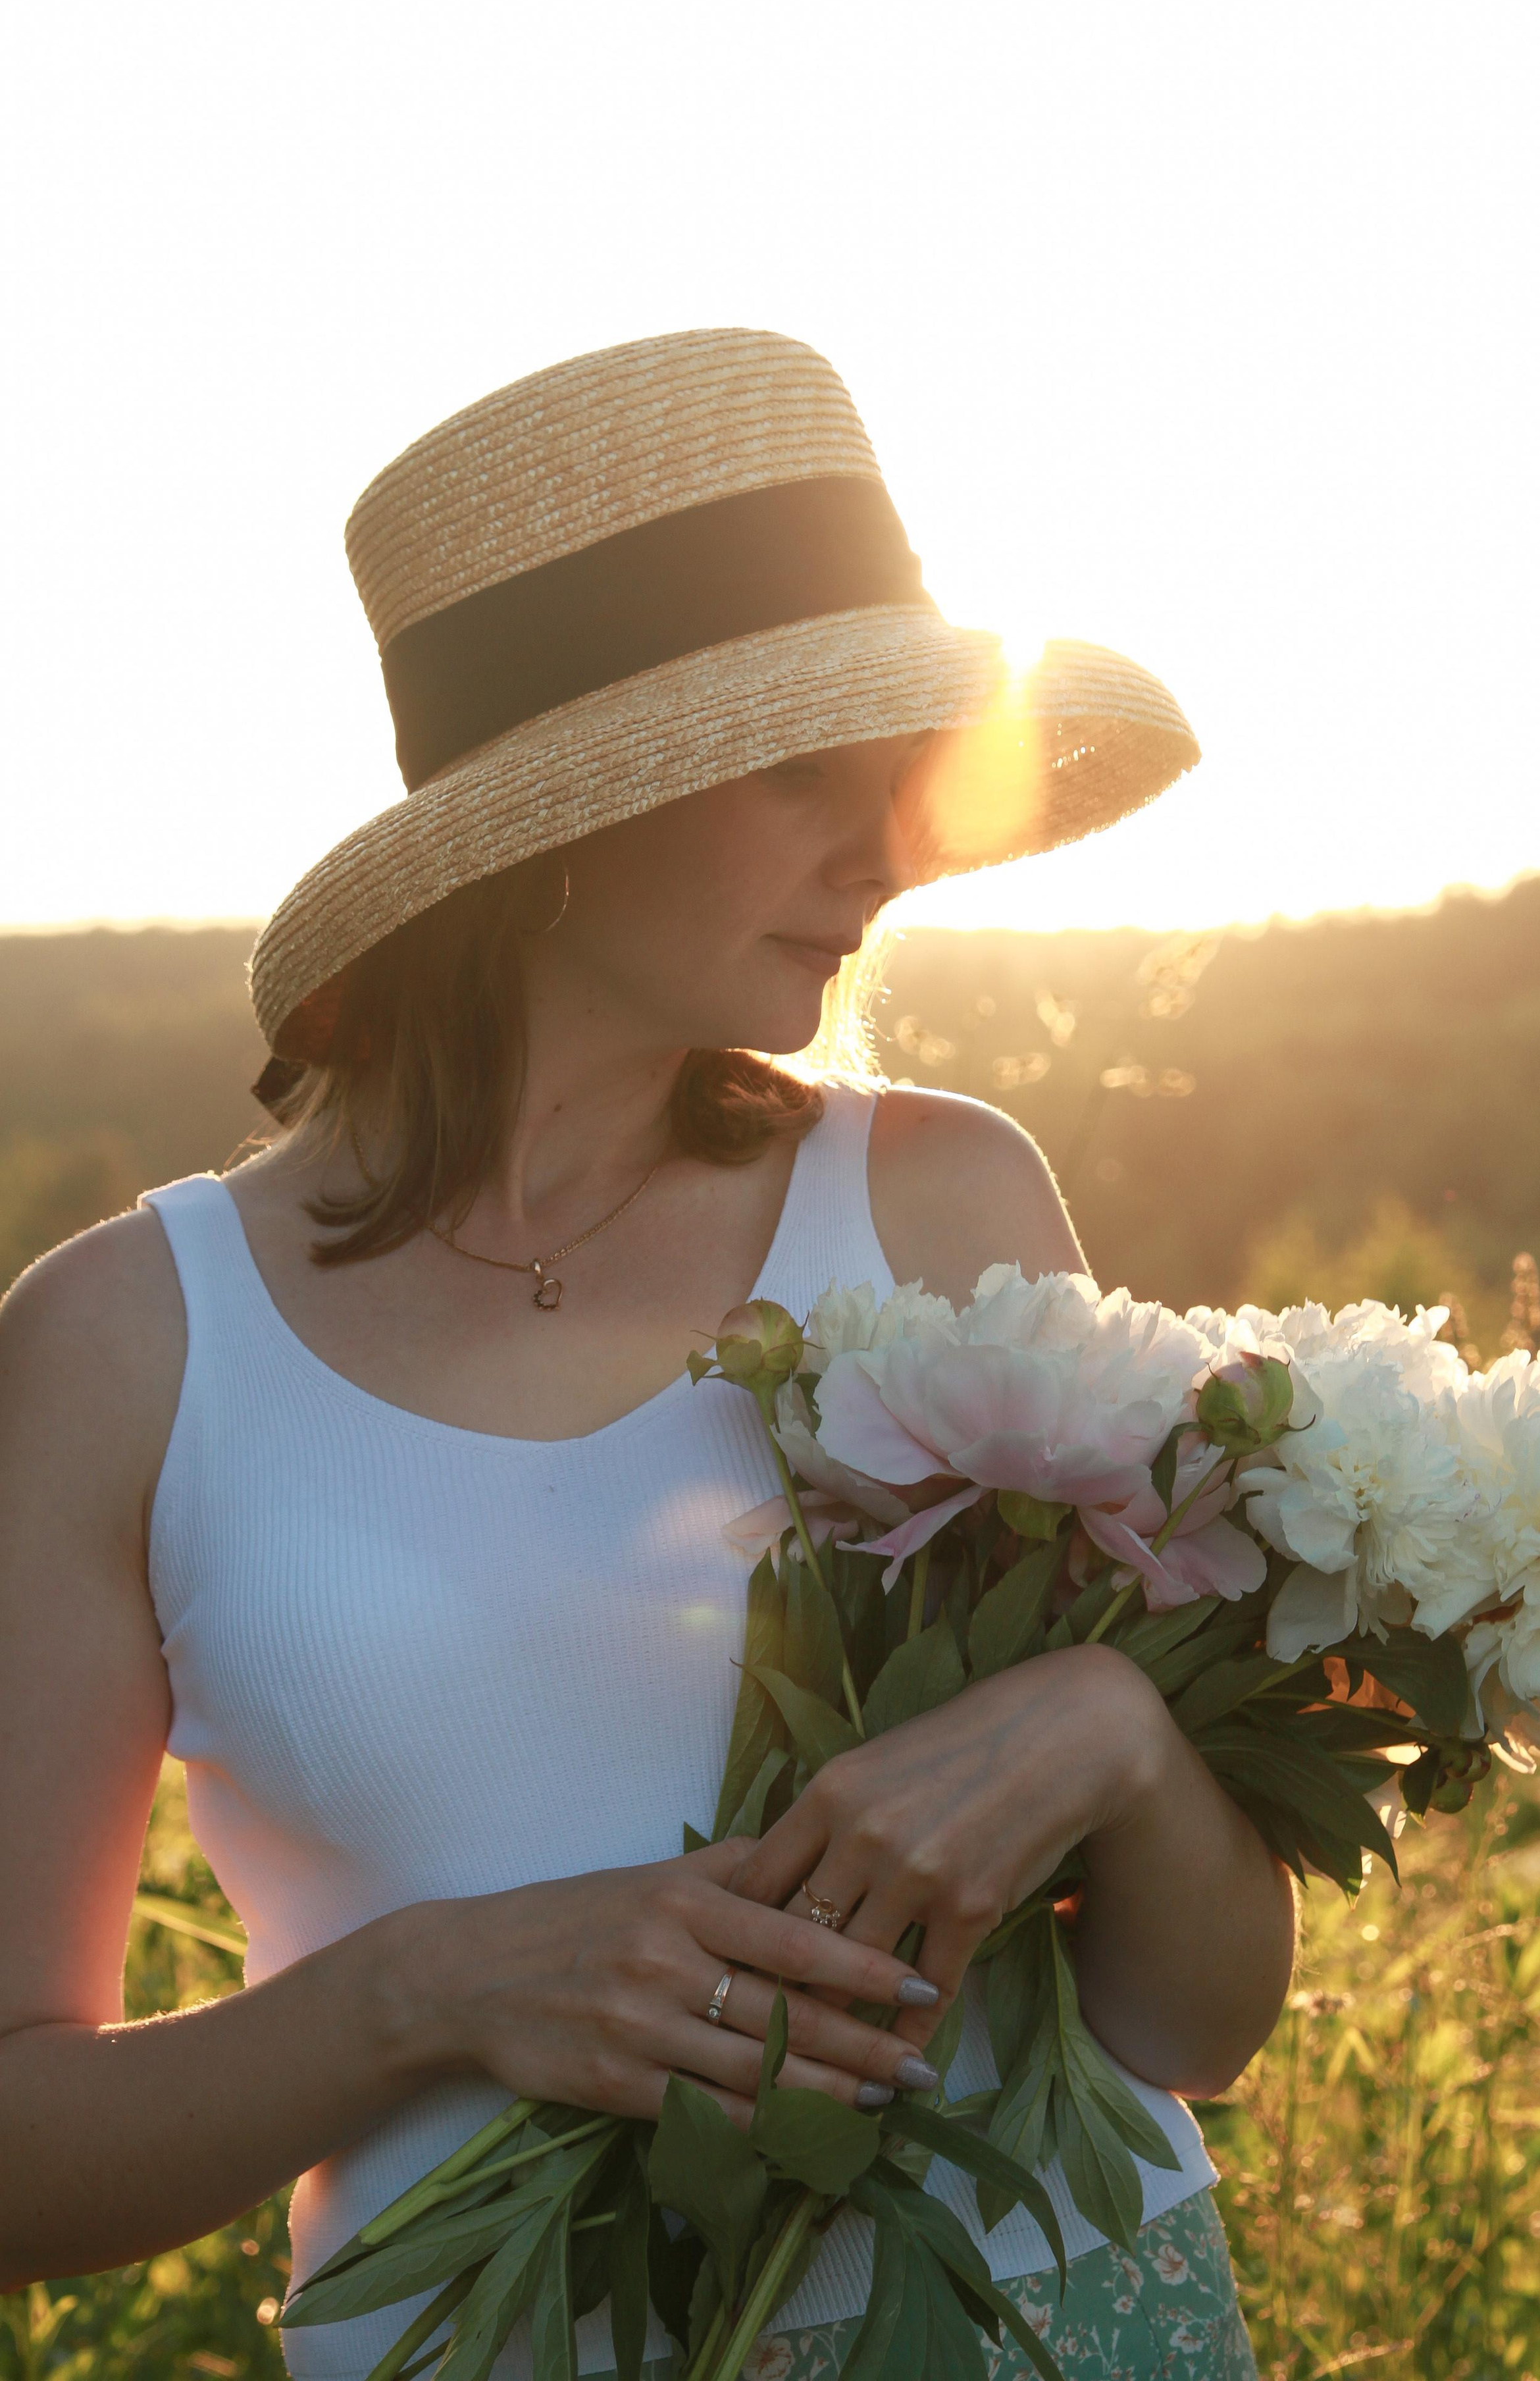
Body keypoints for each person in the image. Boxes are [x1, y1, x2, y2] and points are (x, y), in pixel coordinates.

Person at [0, 330, 1293, 2379]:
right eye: (806, 771)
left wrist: (1114, 1745)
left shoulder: (948, 1209)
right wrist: (422, 1992)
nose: (886, 855)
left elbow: (1195, 2028)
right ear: (563, 815)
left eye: (897, 777)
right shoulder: (126, 1346)